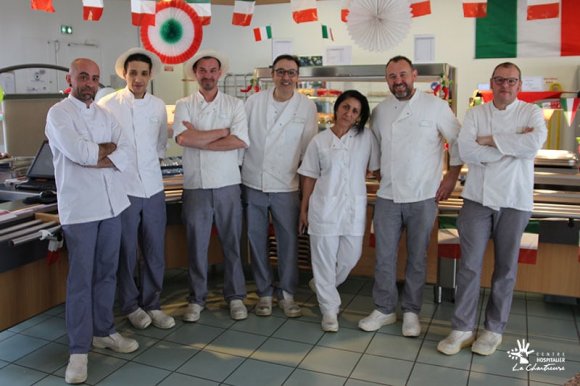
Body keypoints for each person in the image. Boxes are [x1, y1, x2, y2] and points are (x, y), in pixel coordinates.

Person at [438, 62, 547, 356]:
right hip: (476, 199)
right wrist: (512, 147)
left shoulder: (531, 113)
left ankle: (493, 329)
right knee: (469, 266)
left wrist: (488, 141)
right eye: (500, 80)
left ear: (519, 85)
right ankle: (462, 328)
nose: (505, 85)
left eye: (511, 81)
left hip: (515, 200)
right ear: (491, 83)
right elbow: (467, 150)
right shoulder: (476, 113)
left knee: (505, 269)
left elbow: (534, 143)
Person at [45, 58, 139, 384]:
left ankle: (104, 331)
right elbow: (78, 154)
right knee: (81, 281)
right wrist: (103, 155)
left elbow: (125, 154)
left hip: (113, 207)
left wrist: (99, 155)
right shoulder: (58, 114)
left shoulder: (106, 114)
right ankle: (78, 350)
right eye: (83, 76)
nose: (90, 83)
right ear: (70, 78)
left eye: (95, 78)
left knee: (107, 275)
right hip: (81, 210)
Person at [359, 55, 462, 337]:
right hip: (388, 197)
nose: (398, 81)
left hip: (423, 195)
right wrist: (378, 170)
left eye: (403, 75)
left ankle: (411, 312)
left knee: (417, 257)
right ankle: (383, 309)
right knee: (383, 256)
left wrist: (451, 177)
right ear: (387, 80)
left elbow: (457, 141)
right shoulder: (380, 111)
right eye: (392, 77)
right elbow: (375, 147)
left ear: (414, 75)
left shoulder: (436, 106)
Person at [99, 48, 175, 330]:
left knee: (155, 249)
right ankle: (131, 305)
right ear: (124, 74)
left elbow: (158, 146)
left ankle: (152, 302)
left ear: (150, 75)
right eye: (133, 73)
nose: (138, 78)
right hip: (124, 186)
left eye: (144, 73)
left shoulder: (157, 105)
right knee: (126, 250)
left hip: (153, 186)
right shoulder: (108, 104)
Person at [173, 50, 250, 322]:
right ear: (195, 74)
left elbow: (240, 141)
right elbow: (183, 139)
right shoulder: (184, 104)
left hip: (228, 183)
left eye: (212, 70)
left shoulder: (234, 105)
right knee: (196, 245)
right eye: (202, 70)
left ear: (220, 73)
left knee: (232, 243)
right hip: (196, 185)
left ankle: (236, 296)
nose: (207, 75)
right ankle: (196, 299)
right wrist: (222, 132)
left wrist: (199, 137)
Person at [241, 54, 318, 318]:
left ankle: (286, 293)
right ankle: (263, 292)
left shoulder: (307, 107)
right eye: (281, 72)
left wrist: (306, 195)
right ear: (272, 74)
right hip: (253, 181)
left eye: (292, 73)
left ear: (298, 76)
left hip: (287, 184)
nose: (286, 77)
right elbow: (242, 139)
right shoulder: (253, 102)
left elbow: (309, 153)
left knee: (288, 241)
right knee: (256, 239)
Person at [298, 90, 379, 331]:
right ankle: (329, 311)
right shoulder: (319, 141)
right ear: (337, 108)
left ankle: (323, 285)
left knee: (349, 257)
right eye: (346, 107)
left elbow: (374, 169)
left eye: (355, 110)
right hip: (323, 208)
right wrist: (303, 209)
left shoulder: (367, 138)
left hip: (353, 209)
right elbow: (310, 178)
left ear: (359, 116)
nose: (349, 113)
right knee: (323, 261)